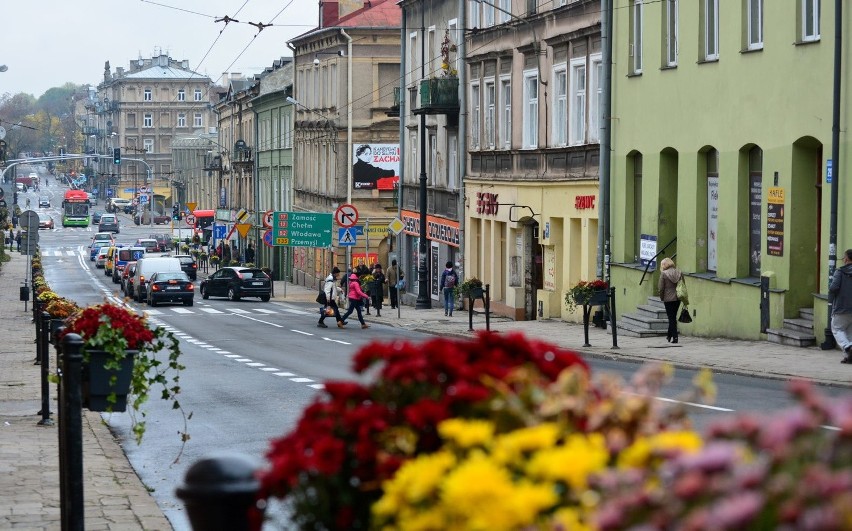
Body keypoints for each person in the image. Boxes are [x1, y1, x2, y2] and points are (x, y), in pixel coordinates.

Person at [829, 248, 852, 363]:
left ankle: (848, 347)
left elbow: (833, 288)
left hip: (842, 306)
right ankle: (849, 357)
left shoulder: (840, 272)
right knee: (849, 332)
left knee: (837, 328)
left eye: (844, 257)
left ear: (847, 259)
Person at [658, 257, 683, 344]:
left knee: (671, 318)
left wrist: (662, 297)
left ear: (664, 265)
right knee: (673, 317)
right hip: (678, 297)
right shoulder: (679, 272)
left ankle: (675, 337)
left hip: (668, 298)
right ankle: (669, 335)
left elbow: (661, 288)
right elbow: (682, 286)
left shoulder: (663, 274)